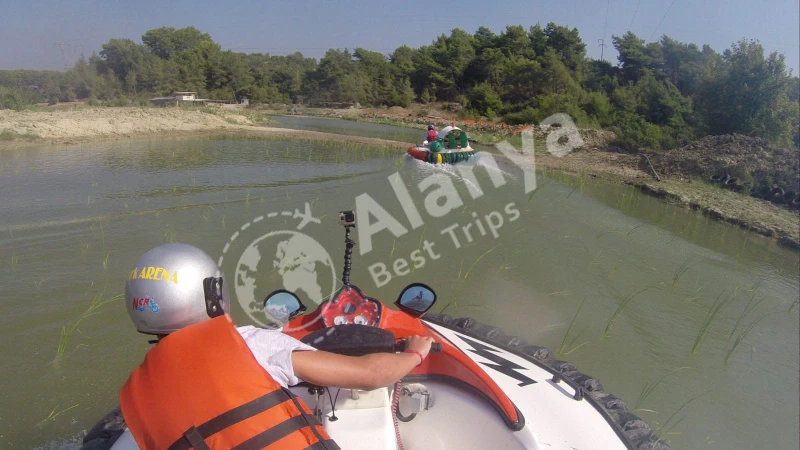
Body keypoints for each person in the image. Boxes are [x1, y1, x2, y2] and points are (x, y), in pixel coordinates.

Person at [120, 243, 433, 450]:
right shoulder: (252, 344)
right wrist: (415, 353)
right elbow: (370, 374)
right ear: (213, 295)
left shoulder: (134, 394)